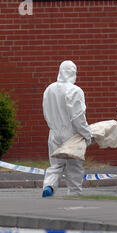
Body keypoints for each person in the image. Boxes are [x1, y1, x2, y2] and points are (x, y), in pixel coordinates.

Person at [41, 60, 92, 198]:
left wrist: (53, 126)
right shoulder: (75, 90)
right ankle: (74, 194)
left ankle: (49, 186)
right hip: (72, 134)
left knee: (56, 165)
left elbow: (46, 112)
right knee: (74, 167)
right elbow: (78, 117)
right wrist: (87, 134)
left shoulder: (49, 89)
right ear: (73, 73)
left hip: (54, 132)